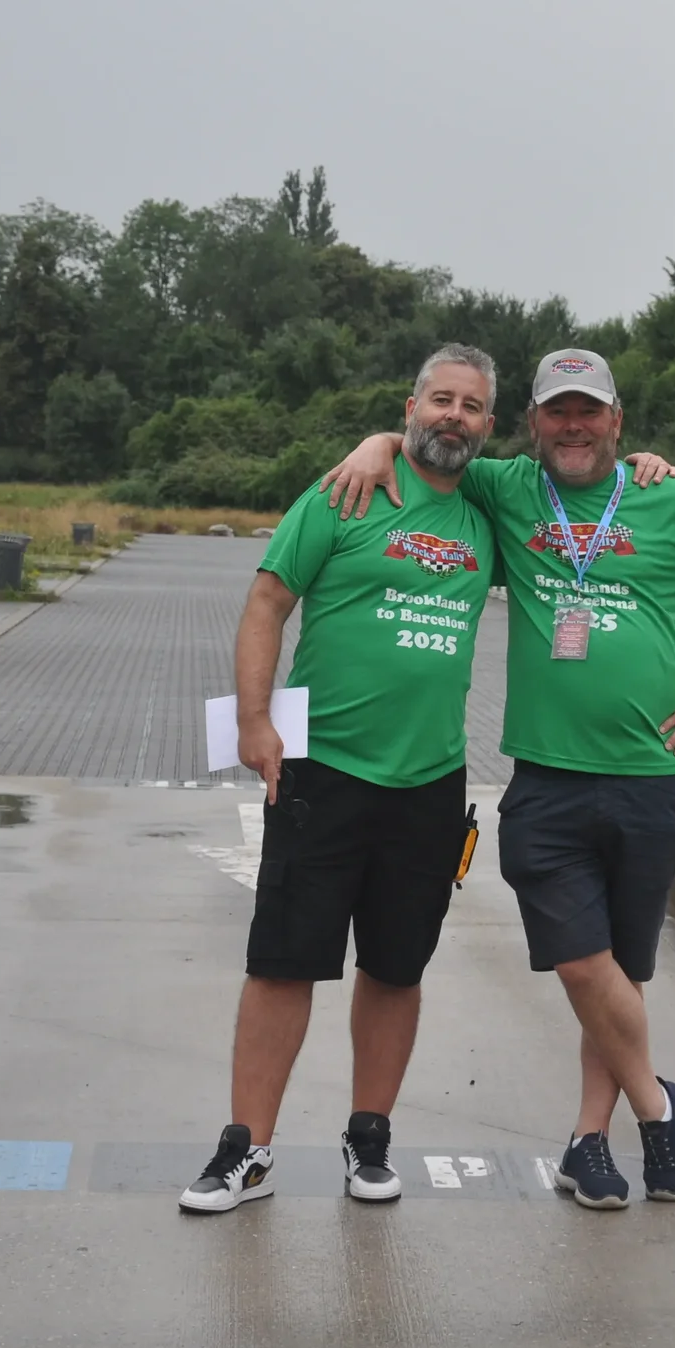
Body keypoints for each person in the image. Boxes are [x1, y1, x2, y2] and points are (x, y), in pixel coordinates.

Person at [323, 347, 675, 1209]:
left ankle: (590, 1141)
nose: (573, 427)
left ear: (617, 421)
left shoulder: (674, 498)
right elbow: (434, 440)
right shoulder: (506, 490)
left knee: (621, 971)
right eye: (556, 413)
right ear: (534, 427)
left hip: (652, 774)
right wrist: (372, 444)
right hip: (545, 778)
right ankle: (659, 1105)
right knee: (585, 967)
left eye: (590, 412)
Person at [177, 345, 503, 1213]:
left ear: (489, 427)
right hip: (321, 768)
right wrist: (254, 721)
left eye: (471, 407)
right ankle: (248, 1149)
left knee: (397, 969)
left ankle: (370, 1139)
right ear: (410, 406)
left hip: (430, 780)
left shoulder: (489, 511)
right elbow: (268, 601)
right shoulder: (346, 492)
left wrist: (651, 467)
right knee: (284, 962)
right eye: (441, 400)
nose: (454, 418)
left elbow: (582, 485)